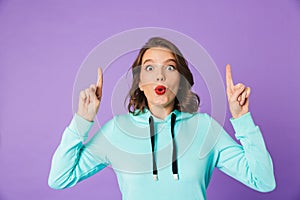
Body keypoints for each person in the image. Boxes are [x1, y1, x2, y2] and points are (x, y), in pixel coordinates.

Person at [48, 37, 276, 200]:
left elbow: (264, 181)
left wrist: (242, 118)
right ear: (139, 81)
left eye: (169, 68)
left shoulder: (204, 128)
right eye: (149, 68)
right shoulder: (117, 130)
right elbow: (59, 178)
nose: (159, 75)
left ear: (181, 80)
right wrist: (82, 120)